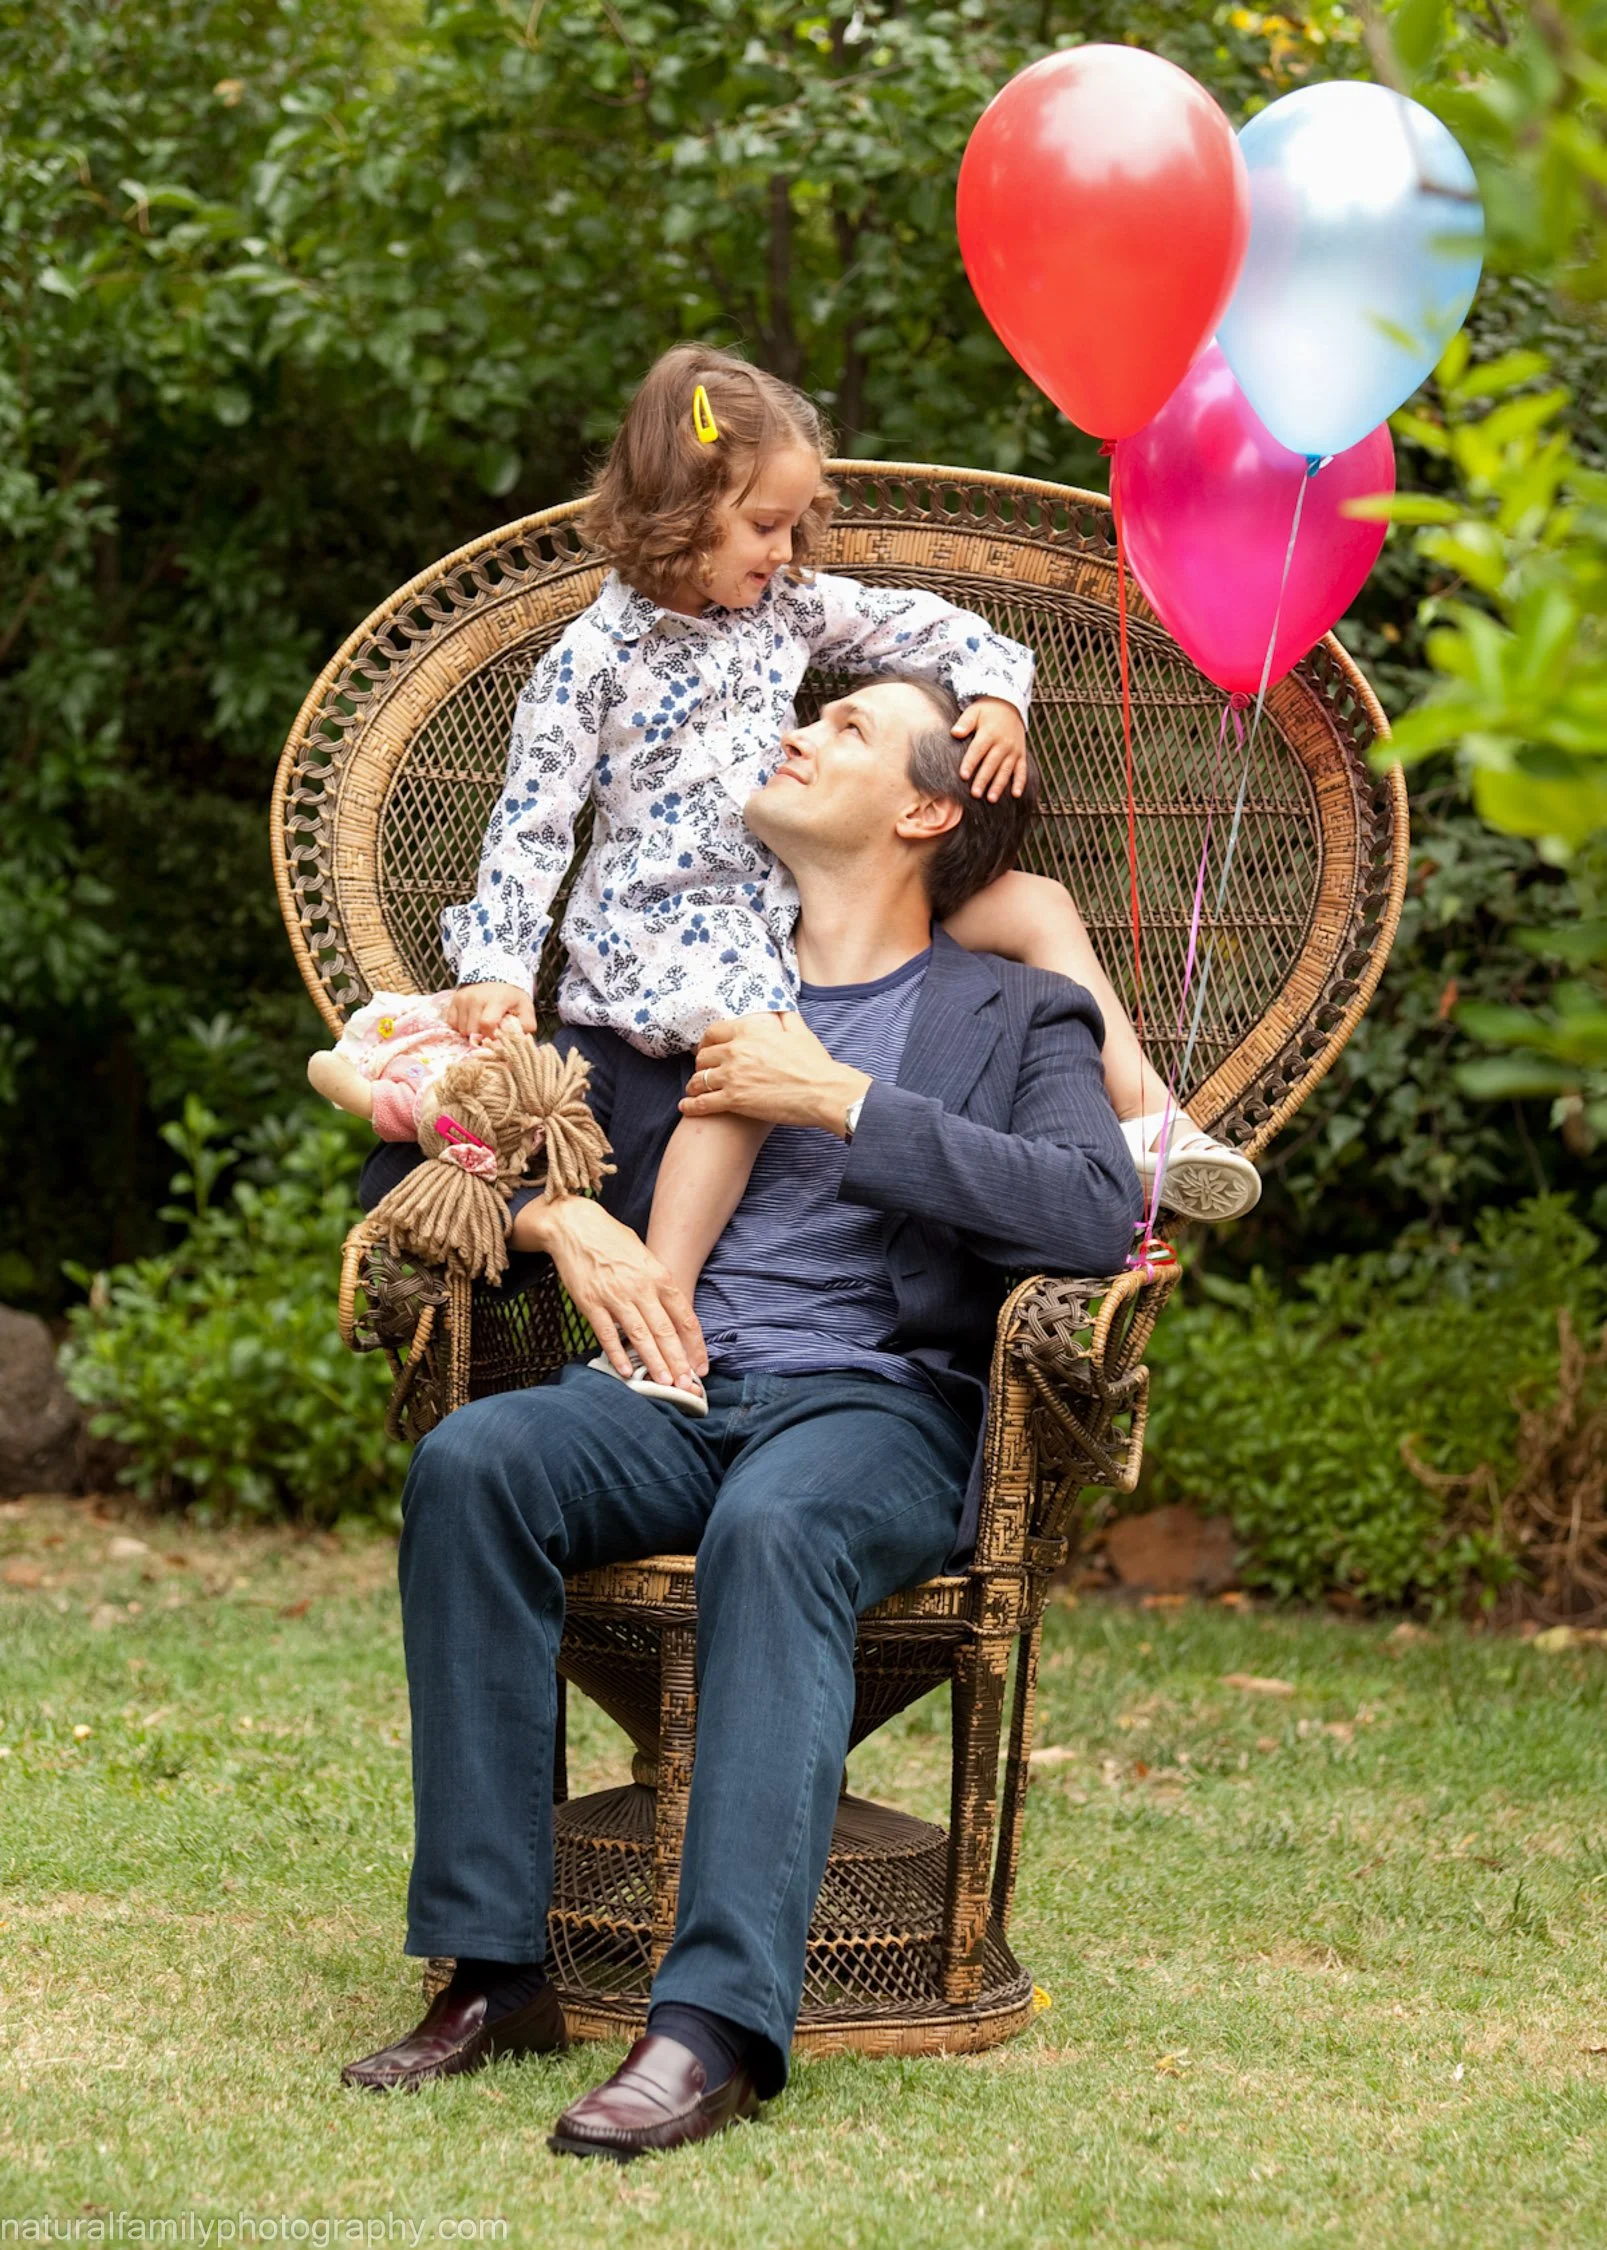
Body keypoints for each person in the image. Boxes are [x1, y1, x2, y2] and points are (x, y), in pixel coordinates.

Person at [340, 670, 1143, 2158]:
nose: (794, 730)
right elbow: (405, 1167)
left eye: (843, 728)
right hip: (668, 1384)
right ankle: (492, 1970)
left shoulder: (1012, 1008)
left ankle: (707, 2027)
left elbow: (1095, 1208)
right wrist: (550, 1221)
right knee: (475, 1462)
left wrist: (841, 1099)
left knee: (777, 1529)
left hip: (877, 1406)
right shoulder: (664, 983)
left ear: (922, 806)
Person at [425, 345, 1257, 1406]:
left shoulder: (787, 610)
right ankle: (660, 1322)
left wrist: (995, 695)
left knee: (1033, 902)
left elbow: (939, 629)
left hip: (778, 890)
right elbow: (531, 825)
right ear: (680, 509)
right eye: (761, 525)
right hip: (663, 925)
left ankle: (1148, 1124)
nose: (781, 548)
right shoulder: (590, 663)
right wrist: (497, 961)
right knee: (752, 1051)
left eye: (792, 524)